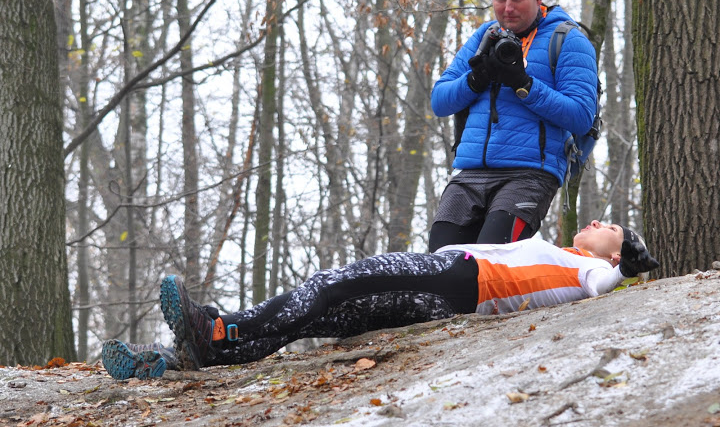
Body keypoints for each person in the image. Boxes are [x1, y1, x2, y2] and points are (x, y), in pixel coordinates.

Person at [101, 221, 658, 380]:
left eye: (610, 227)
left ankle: (220, 328)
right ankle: (195, 357)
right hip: (452, 291)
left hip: (460, 281)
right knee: (322, 313)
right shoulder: (568, 254)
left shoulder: (590, 269)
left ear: (613, 253)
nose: (596, 222)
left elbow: (601, 288)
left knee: (332, 284)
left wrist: (624, 270)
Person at [428, 0, 598, 252]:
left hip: (529, 172)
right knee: (441, 257)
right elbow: (440, 101)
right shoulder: (485, 36)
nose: (508, 8)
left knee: (491, 258)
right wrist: (476, 79)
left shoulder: (568, 40)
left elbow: (582, 116)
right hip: (471, 171)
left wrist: (523, 84)